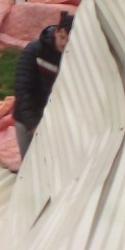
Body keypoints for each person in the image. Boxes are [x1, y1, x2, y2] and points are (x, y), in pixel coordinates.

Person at [13, 11, 74, 160]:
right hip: (28, 120)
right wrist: (33, 125)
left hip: (56, 122)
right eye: (62, 37)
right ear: (56, 32)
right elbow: (22, 90)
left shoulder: (74, 58)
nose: (64, 43)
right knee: (29, 165)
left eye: (69, 39)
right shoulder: (34, 51)